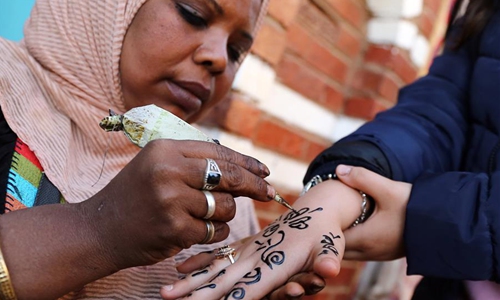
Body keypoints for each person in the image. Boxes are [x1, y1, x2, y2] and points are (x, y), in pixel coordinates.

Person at [160, 0, 500, 299]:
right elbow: (435, 114)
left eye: (236, 51)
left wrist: (426, 218)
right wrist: (338, 189)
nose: (218, 59)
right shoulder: (485, 14)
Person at [0, 0, 327, 299]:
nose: (217, 57)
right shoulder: (7, 89)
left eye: (237, 50)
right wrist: (101, 229)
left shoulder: (222, 199)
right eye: (192, 13)